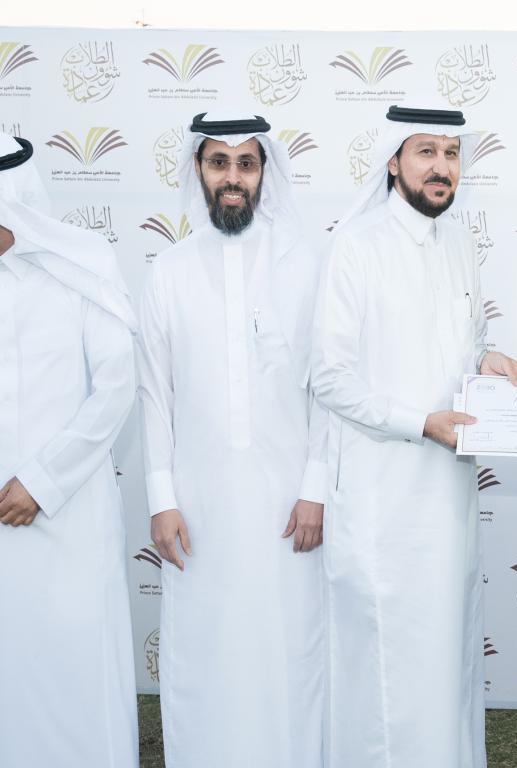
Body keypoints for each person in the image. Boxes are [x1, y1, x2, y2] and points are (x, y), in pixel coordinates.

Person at [312, 104, 517, 768]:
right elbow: (329, 377)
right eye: (426, 152)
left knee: (446, 656)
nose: (441, 167)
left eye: (451, 154)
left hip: (449, 498)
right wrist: (420, 422)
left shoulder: (459, 241)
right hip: (383, 499)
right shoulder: (356, 244)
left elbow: (463, 345)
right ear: (393, 161)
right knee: (388, 668)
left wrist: (487, 360)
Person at [136, 111, 327, 767]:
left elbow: (327, 391)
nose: (233, 178)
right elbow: (154, 394)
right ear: (198, 168)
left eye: (246, 163)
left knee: (291, 649)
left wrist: (316, 488)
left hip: (290, 505)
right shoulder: (169, 270)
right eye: (219, 162)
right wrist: (161, 500)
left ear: (264, 171)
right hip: (198, 506)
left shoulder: (305, 264)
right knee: (204, 648)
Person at [0, 134, 139, 767]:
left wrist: (42, 481)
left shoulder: (81, 267)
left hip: (69, 508)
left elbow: (115, 389)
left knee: (74, 668)